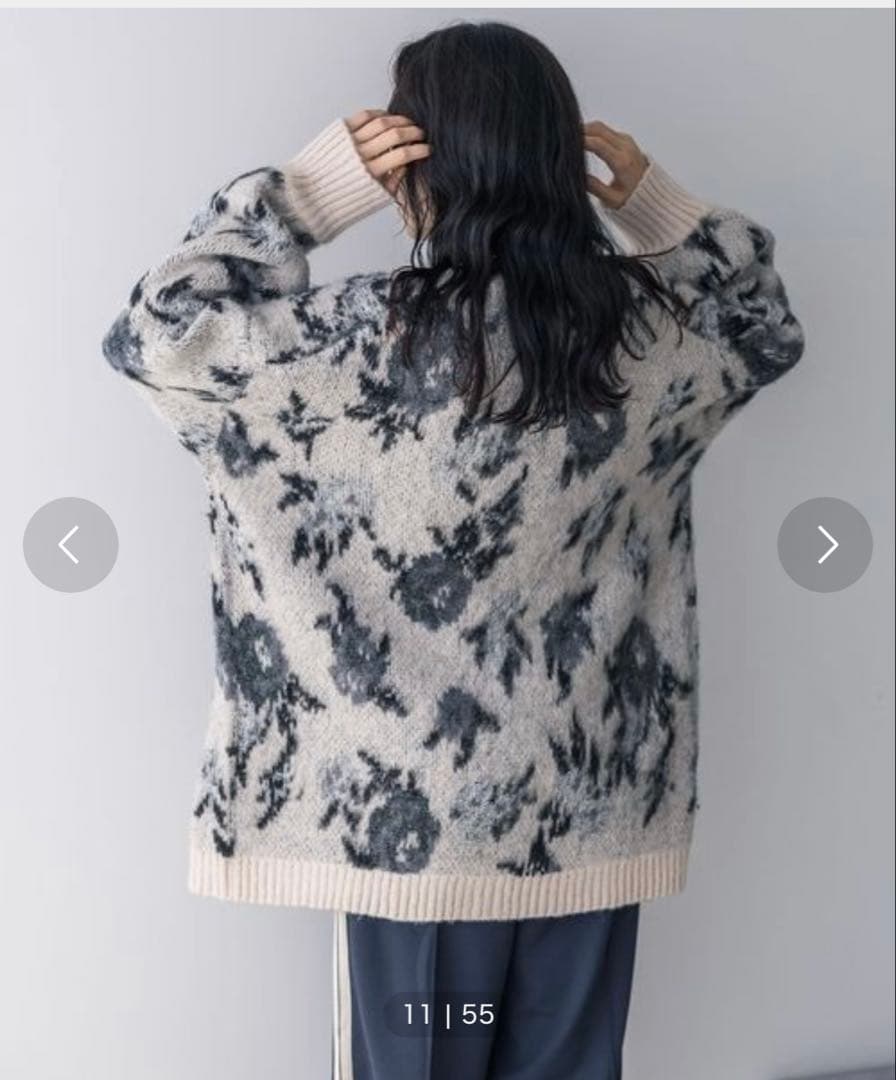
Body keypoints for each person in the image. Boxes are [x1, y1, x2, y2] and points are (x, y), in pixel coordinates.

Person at [101, 20, 805, 1080]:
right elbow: (762, 327)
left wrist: (305, 196)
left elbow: (156, 336)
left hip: (405, 839)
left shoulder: (346, 347)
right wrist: (654, 203)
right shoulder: (652, 340)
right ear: (559, 156)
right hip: (594, 815)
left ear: (413, 166)